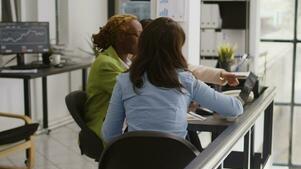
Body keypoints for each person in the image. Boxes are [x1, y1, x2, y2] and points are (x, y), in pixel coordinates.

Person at [86, 14, 239, 140]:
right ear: (176, 49)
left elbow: (109, 134)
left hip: (131, 168)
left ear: (144, 44)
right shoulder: (186, 80)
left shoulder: (125, 80)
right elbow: (234, 109)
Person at [85, 14, 142, 138]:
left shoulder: (127, 61)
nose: (142, 40)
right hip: (106, 128)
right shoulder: (106, 63)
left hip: (124, 123)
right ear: (121, 37)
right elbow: (133, 93)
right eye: (138, 35)